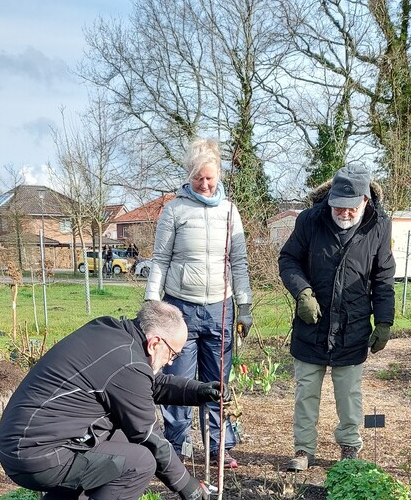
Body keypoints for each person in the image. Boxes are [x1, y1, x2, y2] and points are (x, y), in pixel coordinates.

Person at [0, 301, 218, 500]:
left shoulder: (112, 335)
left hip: (24, 444)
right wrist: (187, 485)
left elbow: (143, 383)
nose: (172, 361)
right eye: (173, 353)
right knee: (140, 462)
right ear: (155, 343)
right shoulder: (128, 362)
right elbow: (150, 438)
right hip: (36, 457)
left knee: (115, 439)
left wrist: (198, 391)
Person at [278, 163, 395, 471]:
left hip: (352, 324)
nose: (344, 213)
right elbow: (288, 259)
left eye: (350, 207)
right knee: (306, 391)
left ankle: (350, 446)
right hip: (312, 323)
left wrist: (384, 321)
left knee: (349, 393)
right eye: (338, 207)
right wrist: (302, 292)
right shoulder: (310, 220)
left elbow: (383, 276)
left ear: (365, 200)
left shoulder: (379, 225)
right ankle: (303, 450)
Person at [144, 139, 252, 469]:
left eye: (209, 178)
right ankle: (174, 447)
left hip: (221, 307)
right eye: (197, 179)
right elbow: (160, 258)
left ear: (219, 173)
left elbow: (240, 262)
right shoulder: (174, 210)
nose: (204, 185)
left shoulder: (230, 211)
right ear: (188, 176)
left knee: (217, 381)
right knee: (178, 381)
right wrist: (151, 303)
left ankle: (220, 446)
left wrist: (244, 305)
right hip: (181, 309)